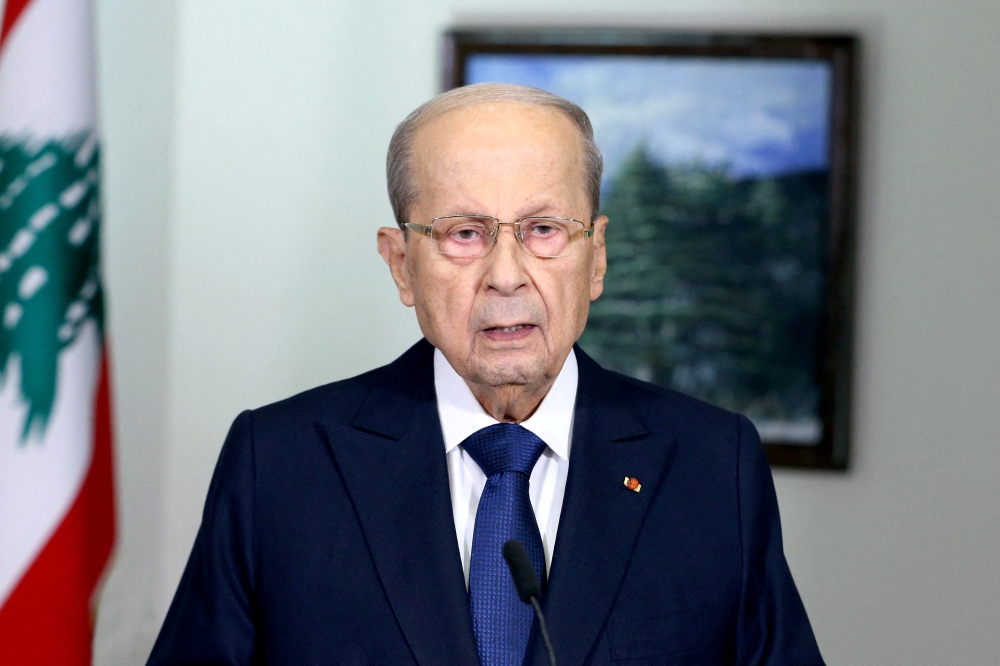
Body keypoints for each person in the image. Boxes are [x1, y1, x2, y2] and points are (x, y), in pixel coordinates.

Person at [147, 83, 824, 666]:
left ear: (597, 258)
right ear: (400, 264)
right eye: (464, 233)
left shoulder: (711, 467)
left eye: (544, 230)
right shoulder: (281, 465)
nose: (506, 275)